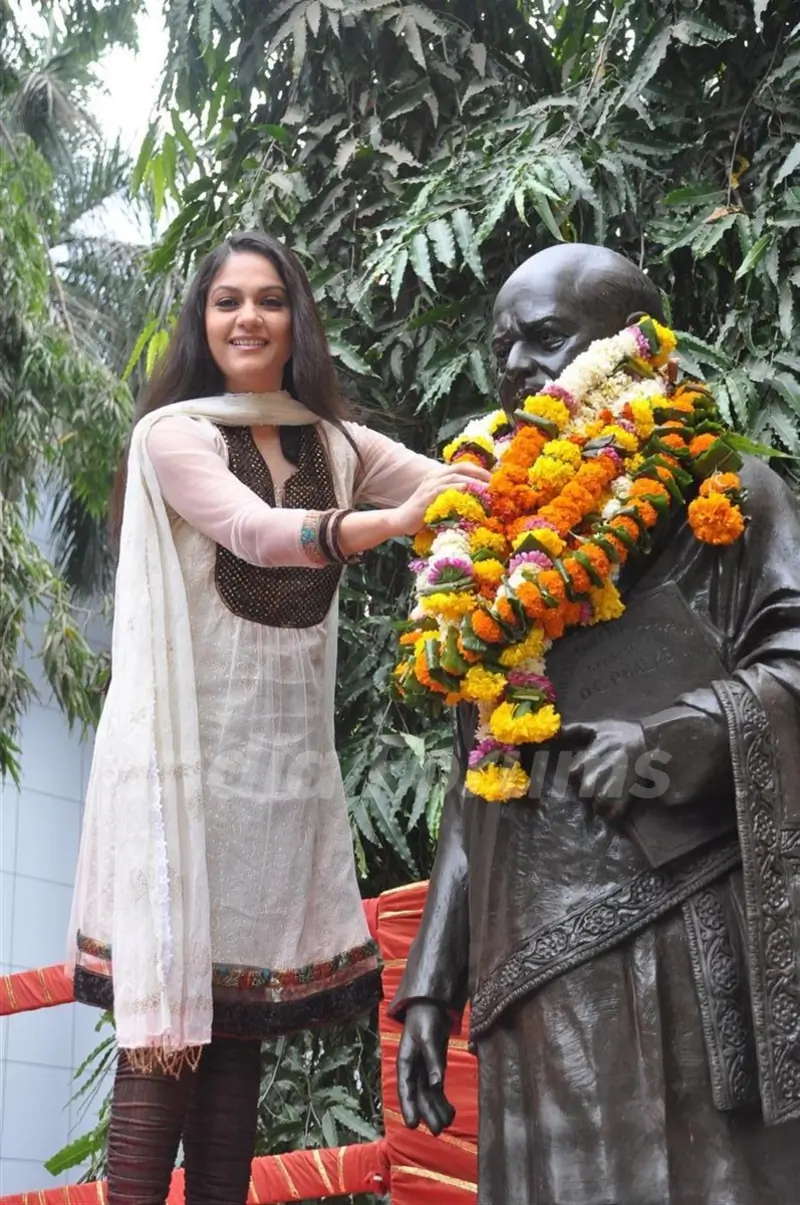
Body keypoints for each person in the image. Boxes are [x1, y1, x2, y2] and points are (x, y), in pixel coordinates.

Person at [66, 230, 488, 1205]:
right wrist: (384, 521)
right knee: (166, 1039)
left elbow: (446, 476)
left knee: (238, 1046)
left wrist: (544, 461)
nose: (247, 317)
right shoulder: (175, 434)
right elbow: (253, 531)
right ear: (202, 322)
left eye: (267, 299)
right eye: (226, 301)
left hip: (275, 784)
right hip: (181, 776)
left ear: (295, 317)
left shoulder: (330, 443)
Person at [392, 243, 800, 1204]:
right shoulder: (485, 549)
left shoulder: (729, 493)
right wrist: (430, 981)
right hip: (521, 957)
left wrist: (670, 741)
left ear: (631, 344)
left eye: (545, 338)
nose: (517, 367)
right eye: (504, 348)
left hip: (678, 920)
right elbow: (473, 768)